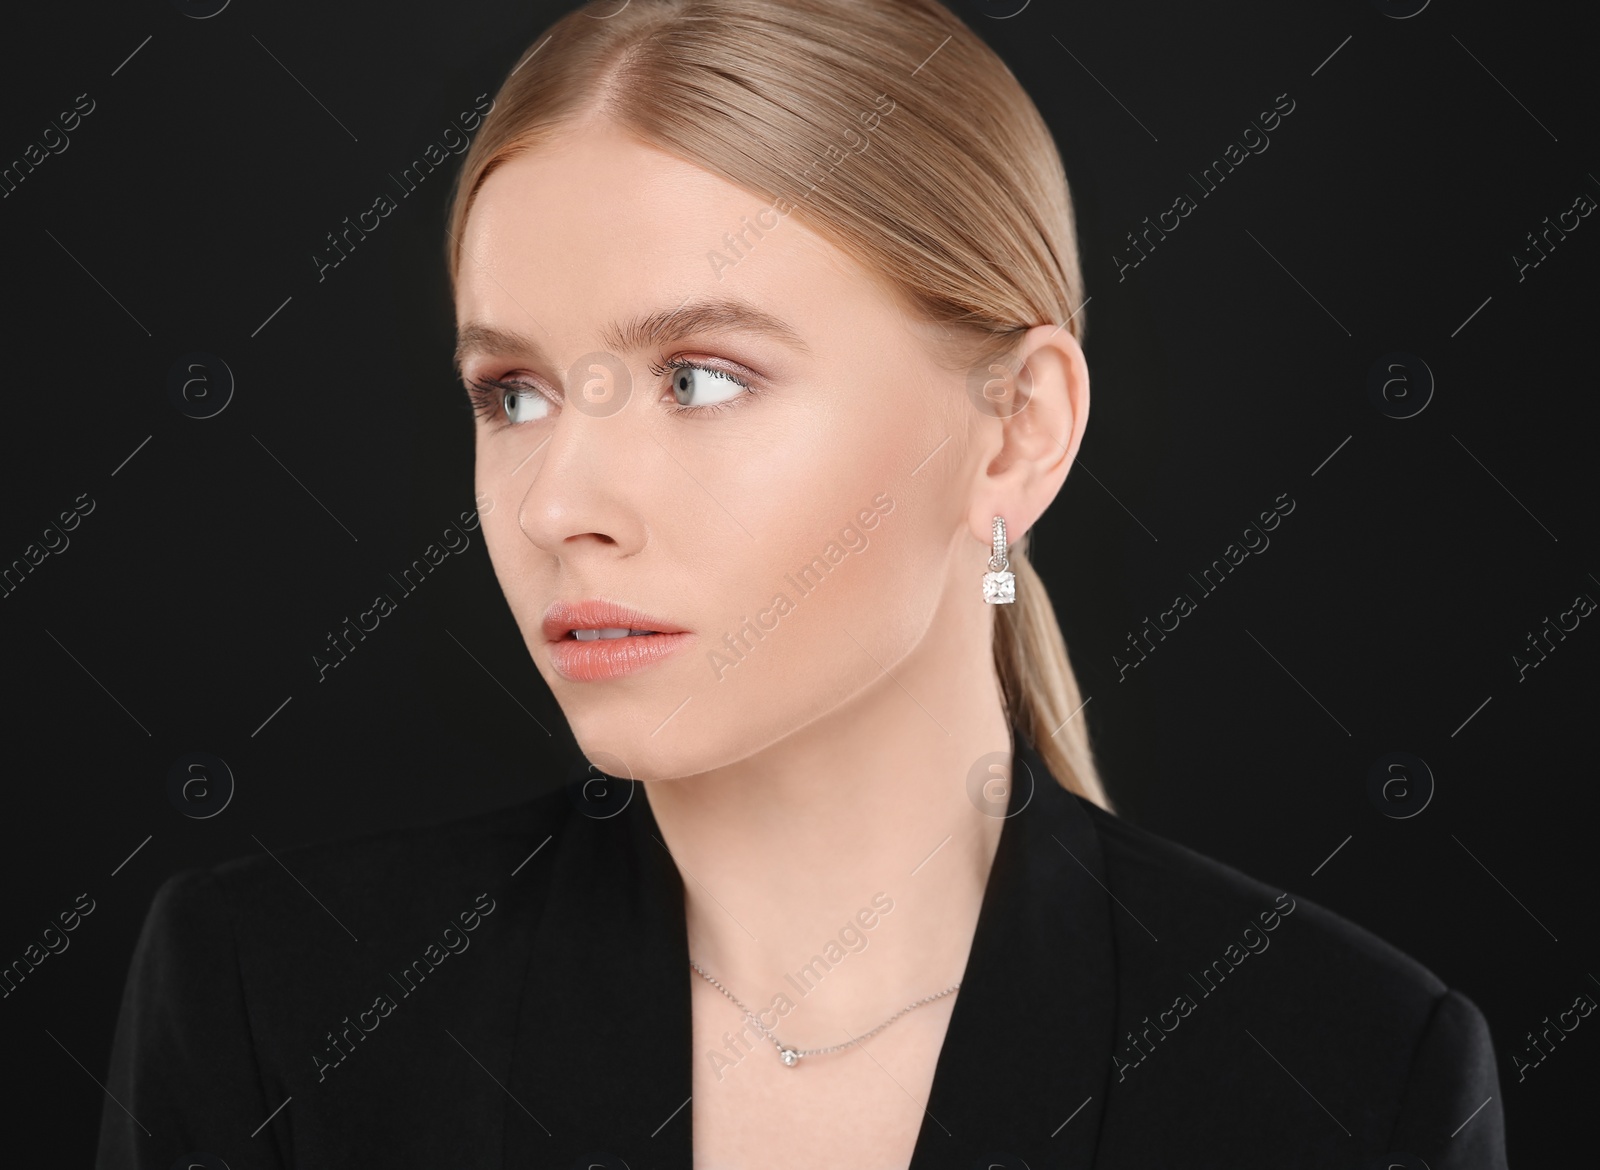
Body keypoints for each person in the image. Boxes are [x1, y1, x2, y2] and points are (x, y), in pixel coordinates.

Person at [97, 1, 1508, 1166]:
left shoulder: (1349, 1075)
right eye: (513, 392)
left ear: (1016, 431)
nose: (560, 503)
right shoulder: (274, 1002)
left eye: (701, 377)